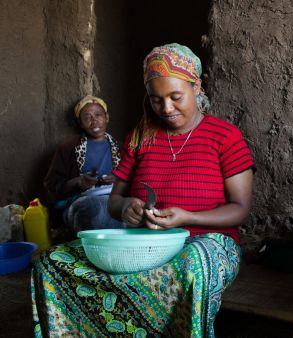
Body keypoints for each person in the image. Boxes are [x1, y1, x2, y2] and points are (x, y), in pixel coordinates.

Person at [32, 43, 255, 337]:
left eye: (176, 97)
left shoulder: (225, 136)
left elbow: (239, 210)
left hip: (207, 243)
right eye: (156, 99)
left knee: (192, 268)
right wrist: (125, 208)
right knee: (51, 263)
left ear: (197, 87)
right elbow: (114, 201)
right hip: (143, 246)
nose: (166, 108)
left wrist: (187, 217)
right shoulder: (140, 138)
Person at [44, 95, 123, 233]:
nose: (94, 120)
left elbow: (136, 178)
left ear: (107, 117)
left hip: (116, 198)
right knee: (89, 210)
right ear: (80, 123)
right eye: (87, 117)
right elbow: (51, 184)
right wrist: (78, 182)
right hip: (83, 202)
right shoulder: (68, 149)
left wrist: (118, 178)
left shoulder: (122, 148)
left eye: (98, 115)